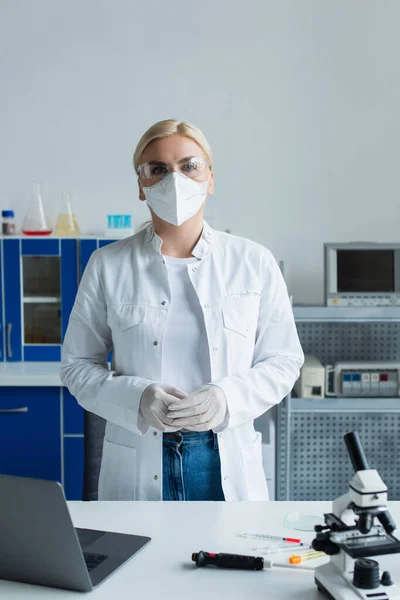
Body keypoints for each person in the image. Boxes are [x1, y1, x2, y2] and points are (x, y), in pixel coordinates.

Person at [60, 119, 304, 502]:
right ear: (141, 186)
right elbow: (77, 365)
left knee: (229, 558)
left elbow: (284, 360)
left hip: (221, 456)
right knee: (137, 560)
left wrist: (228, 398)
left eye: (189, 166)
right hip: (140, 458)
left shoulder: (253, 262)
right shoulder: (108, 265)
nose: (174, 180)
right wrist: (136, 398)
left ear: (210, 179)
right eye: (158, 169)